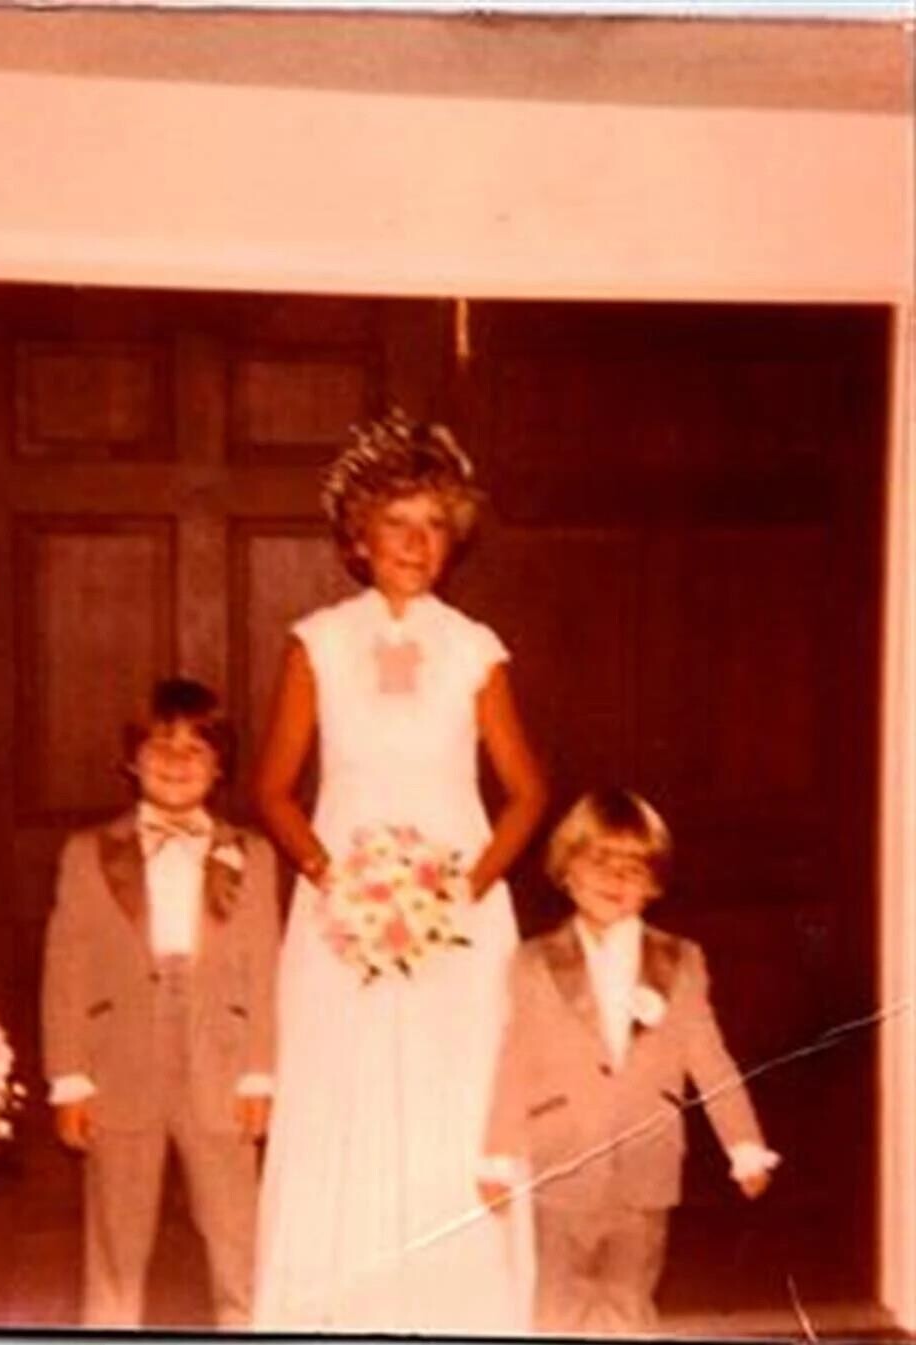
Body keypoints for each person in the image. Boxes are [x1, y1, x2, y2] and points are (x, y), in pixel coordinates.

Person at [252, 409, 547, 1332]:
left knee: (454, 1085)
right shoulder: (317, 643)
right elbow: (273, 791)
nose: (416, 543)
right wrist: (333, 879)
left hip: (457, 902)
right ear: (358, 536)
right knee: (342, 1081)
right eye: (397, 523)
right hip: (342, 898)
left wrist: (464, 890)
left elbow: (529, 794)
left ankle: (461, 1305)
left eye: (434, 526)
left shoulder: (474, 648)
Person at [479, 787, 779, 1335]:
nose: (617, 878)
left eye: (634, 867)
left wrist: (745, 1146)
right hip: (562, 1164)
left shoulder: (680, 961)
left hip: (647, 1167)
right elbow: (514, 1063)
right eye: (601, 862)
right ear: (566, 868)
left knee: (629, 1305)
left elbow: (710, 1061)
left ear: (655, 883)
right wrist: (497, 1156)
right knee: (557, 1306)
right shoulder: (533, 963)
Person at [41, 678, 280, 1328]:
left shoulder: (251, 855)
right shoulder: (89, 853)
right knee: (117, 1237)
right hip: (119, 1064)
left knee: (236, 1234)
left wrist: (260, 1072)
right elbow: (65, 967)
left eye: (195, 750)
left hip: (221, 1066)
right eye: (159, 747)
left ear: (221, 765)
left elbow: (263, 969)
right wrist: (69, 1078)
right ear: (130, 760)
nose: (177, 762)